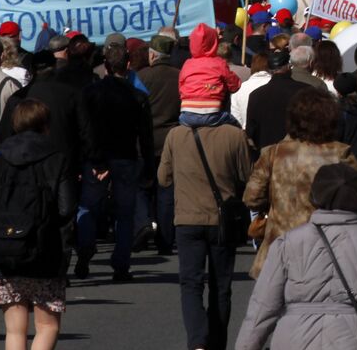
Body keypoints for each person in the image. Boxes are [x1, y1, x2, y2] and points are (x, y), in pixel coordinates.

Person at [234, 160, 357, 350]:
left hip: (292, 341)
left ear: (316, 196)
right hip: (352, 341)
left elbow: (262, 309)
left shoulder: (288, 243)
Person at [158, 89, 254, 350]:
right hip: (223, 220)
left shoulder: (176, 135)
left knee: (190, 283)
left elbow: (163, 178)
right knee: (221, 285)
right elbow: (248, 176)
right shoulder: (235, 136)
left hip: (187, 218)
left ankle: (197, 341)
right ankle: (217, 343)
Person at [0, 98, 76, 350]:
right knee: (47, 326)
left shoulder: (1, 156)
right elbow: (66, 208)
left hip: (7, 247)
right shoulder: (56, 156)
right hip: (46, 247)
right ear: (45, 125)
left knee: (14, 329)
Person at [243, 88, 357, 278]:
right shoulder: (340, 153)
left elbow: (252, 198)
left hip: (281, 245)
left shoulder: (274, 153)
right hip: (328, 246)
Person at [76, 43, 153, 282]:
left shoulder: (91, 93)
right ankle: (121, 263)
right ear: (127, 65)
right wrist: (148, 164)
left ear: (106, 66)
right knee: (124, 213)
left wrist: (89, 158)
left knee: (88, 207)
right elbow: (145, 136)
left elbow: (84, 129)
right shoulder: (136, 96)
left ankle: (84, 254)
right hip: (124, 158)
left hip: (99, 158)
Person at [139, 34, 181, 256]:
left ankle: (145, 228)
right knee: (166, 191)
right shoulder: (179, 76)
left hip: (146, 140)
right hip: (171, 139)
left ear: (152, 55)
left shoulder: (142, 77)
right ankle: (165, 239)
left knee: (144, 188)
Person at [246, 49, 309, 152]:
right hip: (297, 152)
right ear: (289, 67)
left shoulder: (256, 95)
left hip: (268, 154)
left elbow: (251, 131)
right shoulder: (305, 91)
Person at [178, 24, 241, 122]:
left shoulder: (187, 64)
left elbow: (181, 86)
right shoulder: (219, 63)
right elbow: (235, 85)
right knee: (235, 126)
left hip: (186, 115)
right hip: (213, 114)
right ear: (214, 42)